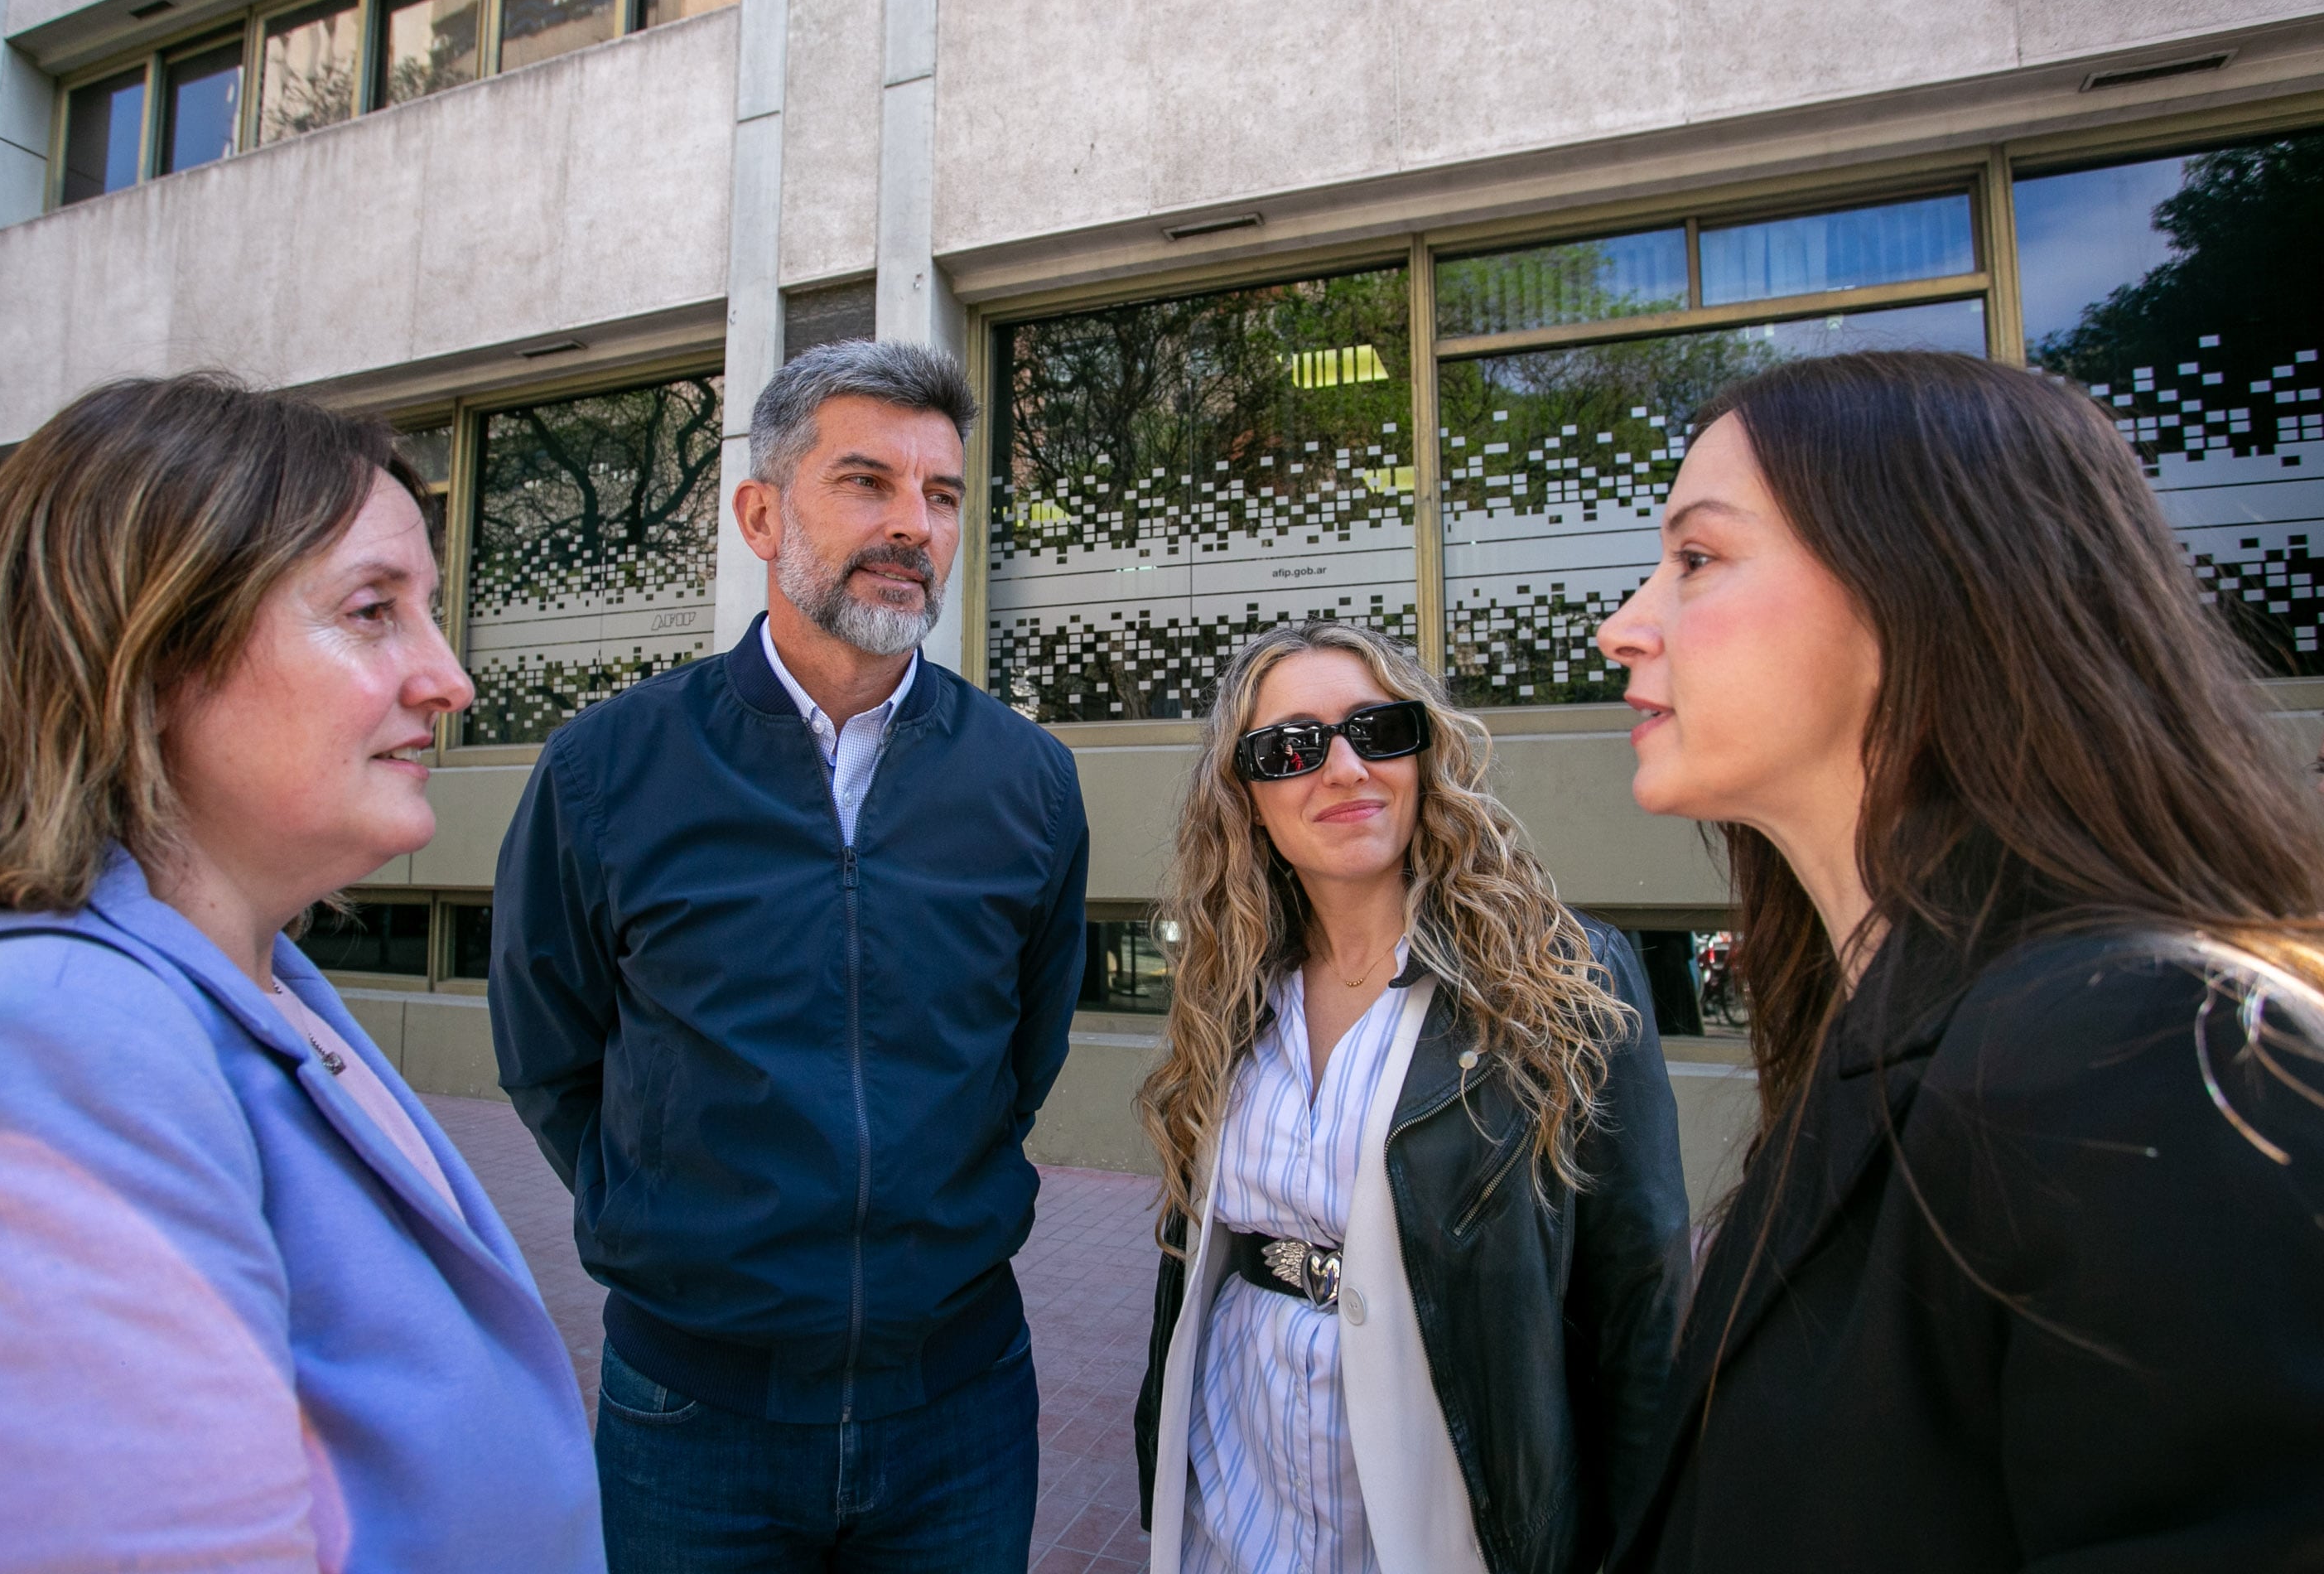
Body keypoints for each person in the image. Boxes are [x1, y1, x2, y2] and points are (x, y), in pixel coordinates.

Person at [0, 374, 604, 1572]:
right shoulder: (27, 1044)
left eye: (432, 612)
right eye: (371, 611)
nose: (449, 680)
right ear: (147, 650)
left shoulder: (252, 987)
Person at [1598, 351, 2324, 1573]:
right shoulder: (1884, 1039)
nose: (1624, 627)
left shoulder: (2150, 1052)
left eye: (1698, 559)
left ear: (1926, 584)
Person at [491, 339, 1089, 1572]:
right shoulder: (608, 770)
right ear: (761, 514)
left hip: (962, 1407)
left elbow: (1026, 1051)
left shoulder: (1027, 781)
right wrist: (675, 1218)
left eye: (941, 495)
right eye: (867, 483)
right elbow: (549, 1052)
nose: (911, 526)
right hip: (695, 1414)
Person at [1133, 619, 1691, 1574]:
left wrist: (1637, 1541)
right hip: (1238, 1483)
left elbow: (1641, 1303)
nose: (1344, 767)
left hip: (1445, 1509)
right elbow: (1193, 1258)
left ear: (1425, 754)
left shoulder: (1560, 979)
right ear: (1247, 795)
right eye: (1292, 747)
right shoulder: (1230, 985)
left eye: (1379, 729)